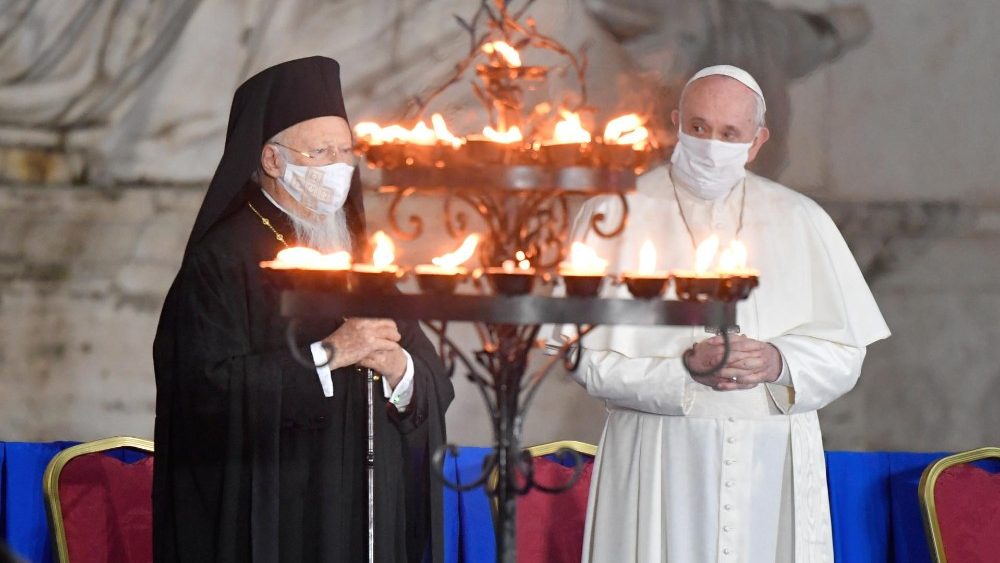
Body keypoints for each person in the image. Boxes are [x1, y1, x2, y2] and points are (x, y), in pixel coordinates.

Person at [566, 65, 889, 562]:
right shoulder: (613, 215)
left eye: (729, 133)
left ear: (757, 141)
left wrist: (777, 362)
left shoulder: (801, 219)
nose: (711, 144)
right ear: (675, 122)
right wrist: (682, 375)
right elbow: (578, 356)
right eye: (697, 127)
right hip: (656, 453)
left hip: (771, 458)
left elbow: (845, 354)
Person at [152, 56, 454, 563]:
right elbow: (203, 392)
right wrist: (331, 353)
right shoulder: (223, 257)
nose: (338, 167)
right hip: (277, 512)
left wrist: (398, 369)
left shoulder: (361, 254)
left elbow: (434, 380)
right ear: (272, 160)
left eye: (345, 151)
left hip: (366, 512)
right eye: (320, 152)